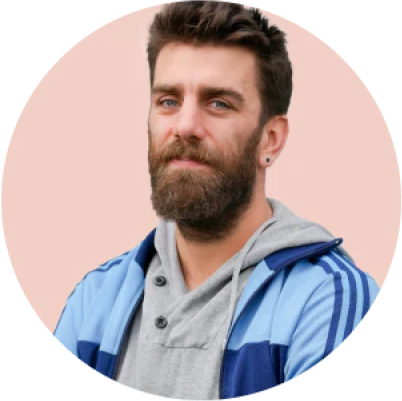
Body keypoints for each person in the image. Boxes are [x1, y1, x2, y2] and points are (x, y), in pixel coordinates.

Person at [53, 1, 381, 399]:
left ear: (270, 140)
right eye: (169, 101)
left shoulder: (328, 298)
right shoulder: (96, 299)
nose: (185, 126)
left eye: (219, 103)